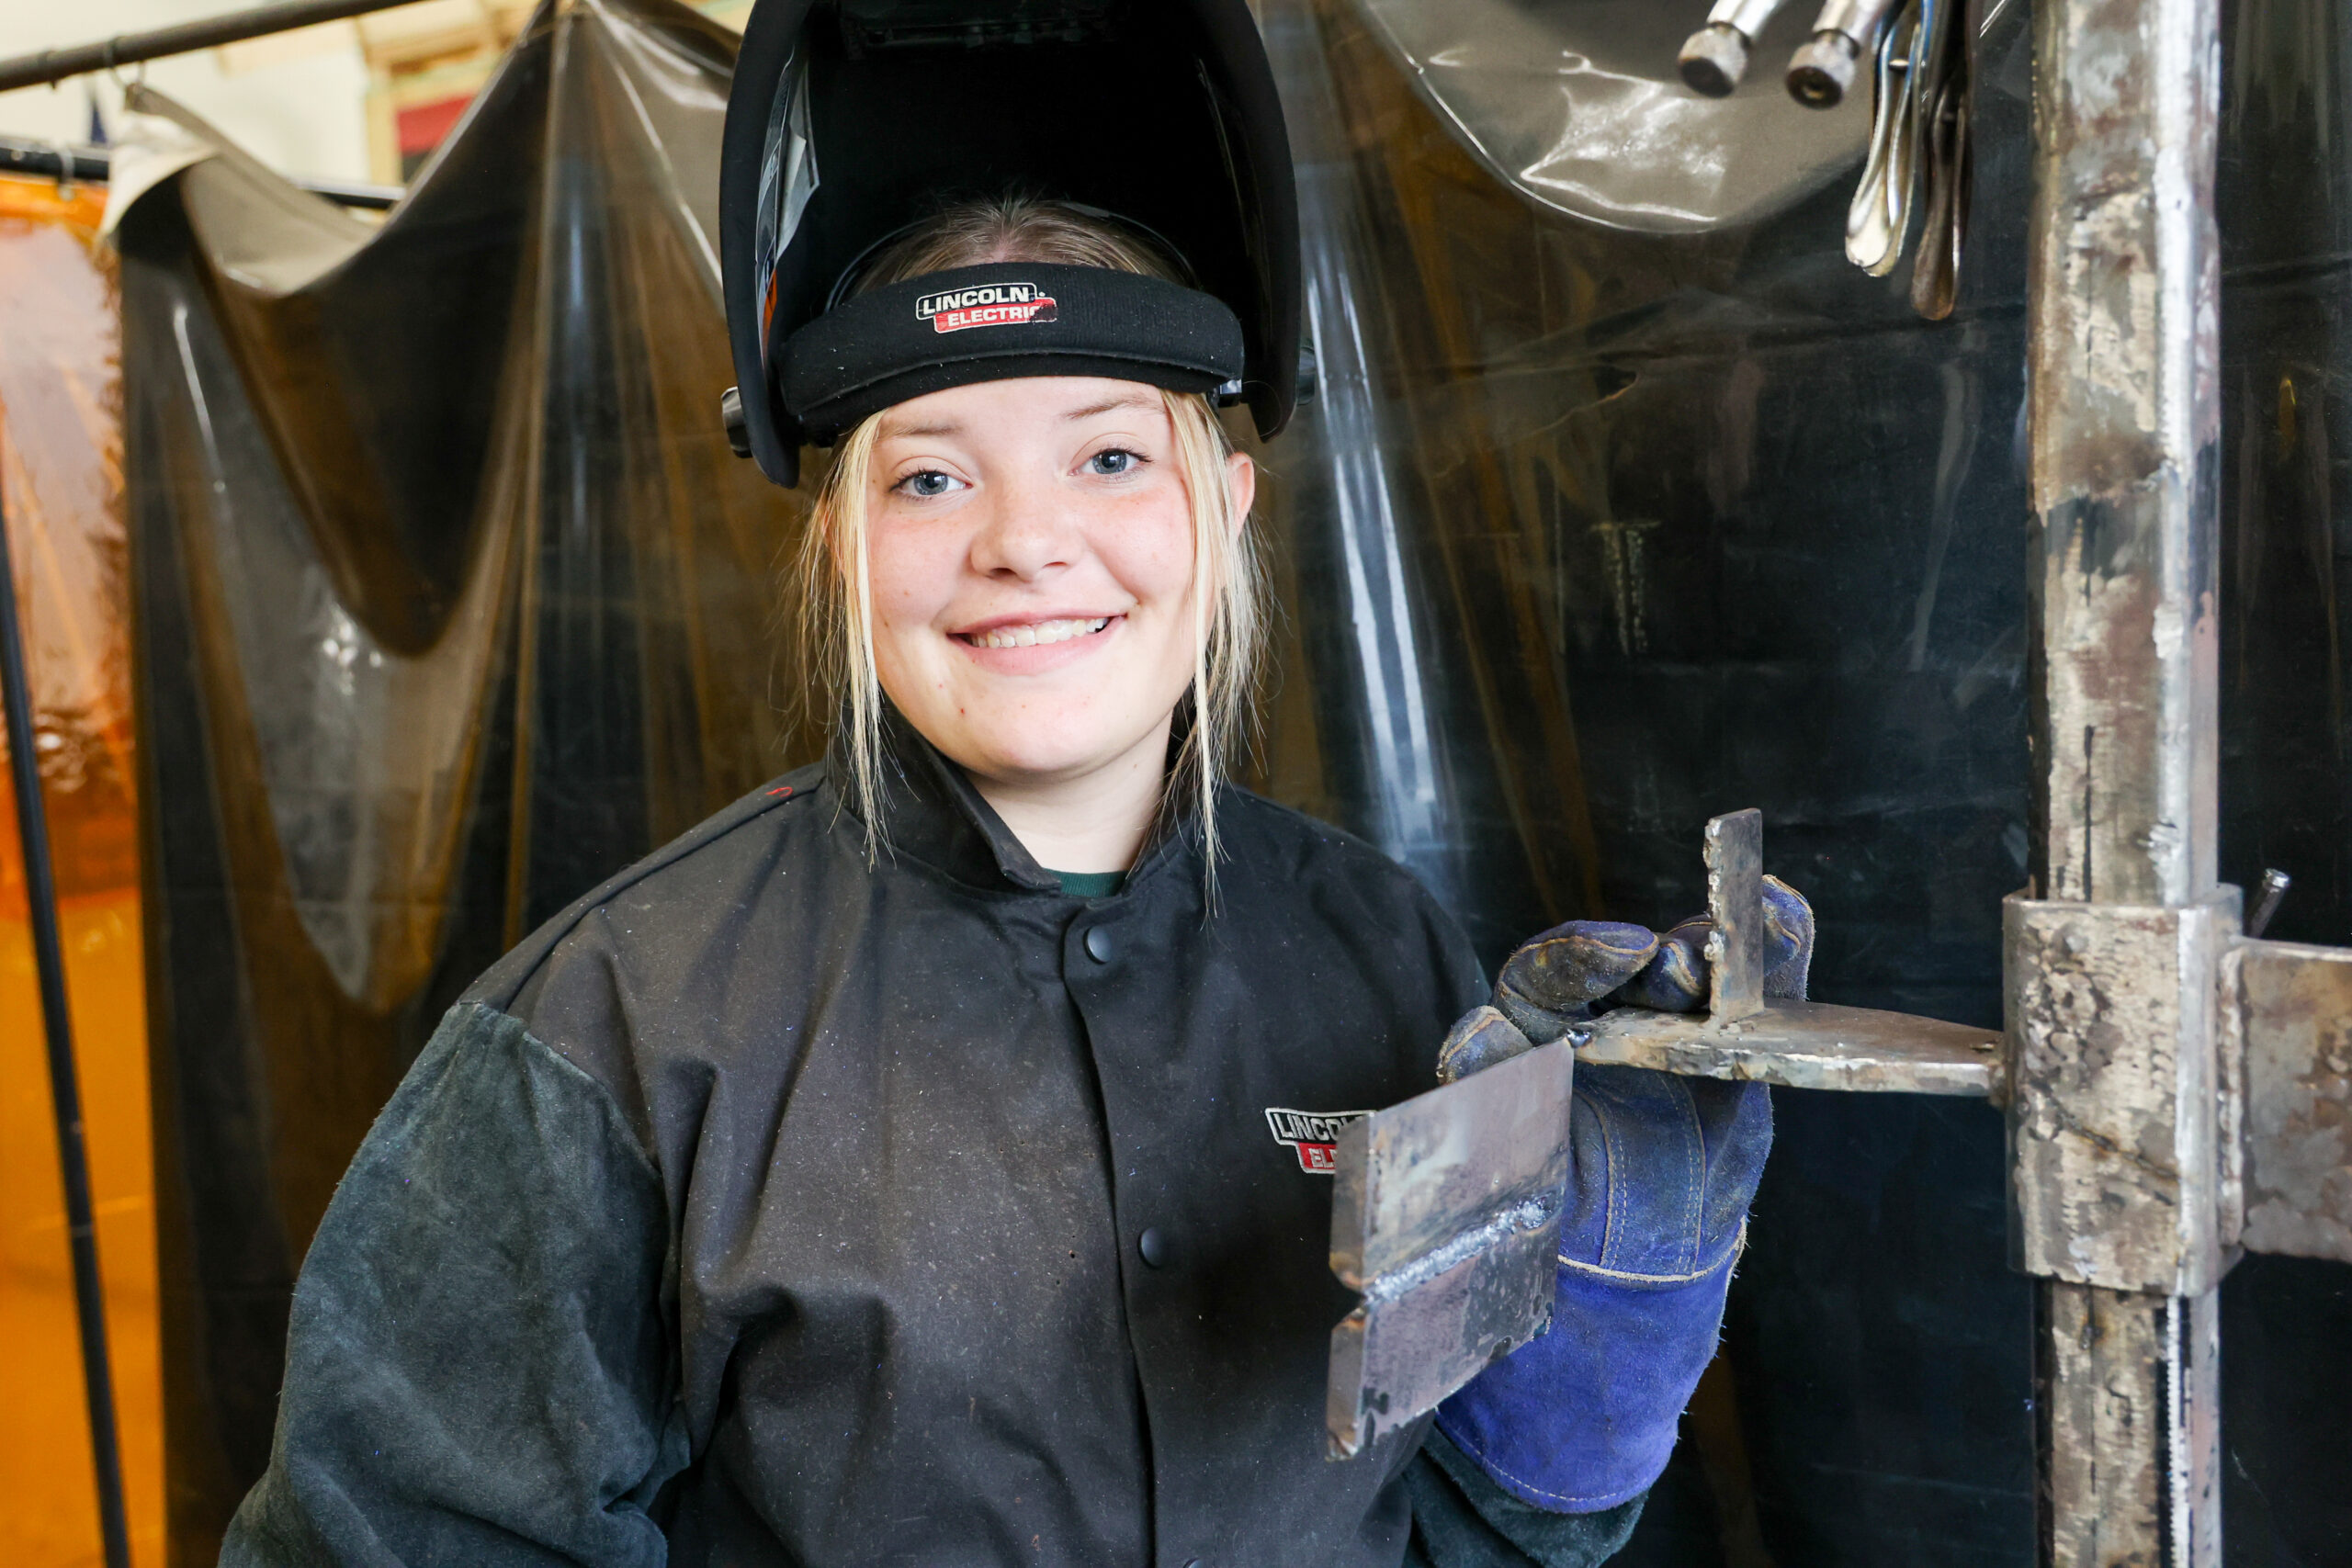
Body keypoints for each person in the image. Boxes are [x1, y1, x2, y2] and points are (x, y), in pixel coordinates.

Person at [224, 6, 1805, 1563]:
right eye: (929, 475)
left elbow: (1468, 1535)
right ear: (840, 540)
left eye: (1109, 455)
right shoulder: (615, 1033)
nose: (1026, 541)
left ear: (1226, 505)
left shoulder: (1386, 953)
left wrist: (1580, 1404)